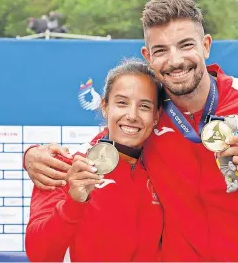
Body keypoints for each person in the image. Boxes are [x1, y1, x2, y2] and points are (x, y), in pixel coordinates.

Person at [23, 0, 238, 262]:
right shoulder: (148, 115)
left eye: (185, 45)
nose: (175, 60)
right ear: (149, 57)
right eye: (161, 50)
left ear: (205, 45)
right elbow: (103, 147)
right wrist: (33, 156)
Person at [25, 59, 163, 262]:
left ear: (157, 115)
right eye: (122, 103)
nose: (132, 115)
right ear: (105, 106)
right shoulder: (65, 166)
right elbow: (39, 254)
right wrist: (74, 202)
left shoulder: (167, 166)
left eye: (144, 106)